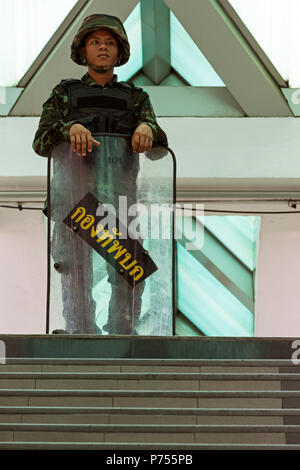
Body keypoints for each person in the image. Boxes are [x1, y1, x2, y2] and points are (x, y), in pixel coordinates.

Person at [32, 14, 169, 334]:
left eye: (109, 43)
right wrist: (70, 128)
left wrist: (148, 127)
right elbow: (41, 141)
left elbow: (160, 146)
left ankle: (122, 329)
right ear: (83, 50)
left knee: (130, 266)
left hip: (120, 199)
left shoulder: (136, 97)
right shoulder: (64, 93)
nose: (103, 48)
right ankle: (80, 329)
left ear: (119, 51)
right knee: (74, 269)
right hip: (74, 197)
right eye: (95, 42)